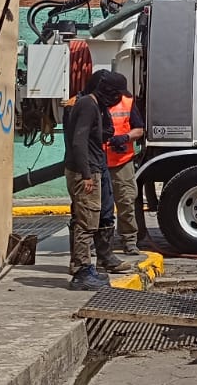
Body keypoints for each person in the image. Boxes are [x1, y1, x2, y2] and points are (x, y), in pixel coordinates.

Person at [64, 70, 128, 290]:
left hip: (92, 168)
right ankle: (82, 272)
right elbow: (78, 142)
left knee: (91, 219)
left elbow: (98, 134)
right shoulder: (87, 105)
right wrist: (87, 174)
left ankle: (86, 268)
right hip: (86, 171)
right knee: (86, 222)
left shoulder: (93, 106)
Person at [97, 87, 146, 256]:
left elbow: (139, 130)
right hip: (99, 162)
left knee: (126, 201)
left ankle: (129, 240)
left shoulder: (127, 102)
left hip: (122, 162)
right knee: (98, 205)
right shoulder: (93, 103)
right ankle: (99, 242)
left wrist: (124, 138)